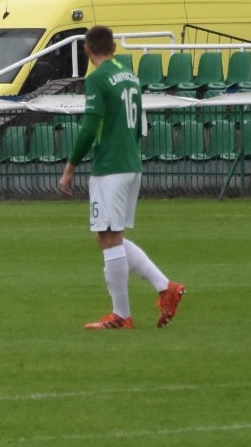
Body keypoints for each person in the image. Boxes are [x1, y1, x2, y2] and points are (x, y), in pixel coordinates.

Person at [58, 25, 184, 329]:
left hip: (111, 167)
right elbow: (139, 119)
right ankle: (164, 288)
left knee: (110, 238)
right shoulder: (129, 75)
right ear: (113, 47)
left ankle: (122, 314)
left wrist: (70, 166)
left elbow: (89, 127)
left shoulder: (98, 79)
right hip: (129, 163)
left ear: (87, 50)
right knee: (107, 237)